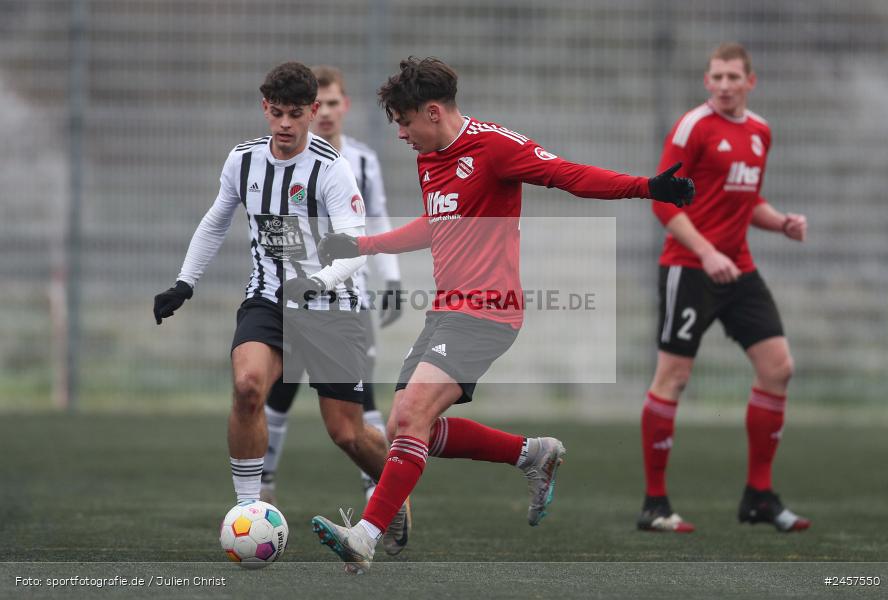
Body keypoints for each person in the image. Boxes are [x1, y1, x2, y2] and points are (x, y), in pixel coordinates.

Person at [307, 56, 695, 573]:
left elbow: (568, 175)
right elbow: (436, 224)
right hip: (446, 309)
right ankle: (531, 454)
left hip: (490, 310)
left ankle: (366, 535)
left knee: (415, 413)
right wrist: (364, 244)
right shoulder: (428, 156)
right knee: (405, 420)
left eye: (404, 122)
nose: (400, 134)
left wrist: (647, 187)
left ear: (432, 112)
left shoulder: (494, 147)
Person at [152, 62, 408, 556]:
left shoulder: (332, 168)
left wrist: (316, 282)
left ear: (313, 111)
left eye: (296, 113)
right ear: (264, 109)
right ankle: (249, 509)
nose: (285, 124)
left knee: (347, 433)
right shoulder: (242, 161)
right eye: (276, 113)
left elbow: (356, 246)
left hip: (333, 306)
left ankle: (395, 494)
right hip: (269, 298)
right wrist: (185, 282)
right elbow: (214, 221)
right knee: (248, 387)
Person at [637, 43, 810, 534]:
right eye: (716, 77)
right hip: (689, 268)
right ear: (706, 81)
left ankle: (758, 496)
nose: (725, 85)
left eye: (734, 77)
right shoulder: (692, 127)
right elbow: (664, 203)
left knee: (779, 368)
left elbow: (747, 200)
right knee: (673, 379)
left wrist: (782, 224)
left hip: (738, 269)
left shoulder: (760, 132)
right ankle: (654, 505)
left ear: (751, 82)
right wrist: (707, 252)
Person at [260, 65, 409, 553]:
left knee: (357, 405)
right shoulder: (282, 161)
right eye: (315, 104)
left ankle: (379, 492)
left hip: (348, 299)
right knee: (278, 392)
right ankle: (261, 488)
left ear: (344, 106)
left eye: (331, 103)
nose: (322, 112)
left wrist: (389, 279)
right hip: (297, 297)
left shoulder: (360, 161)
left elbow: (380, 216)